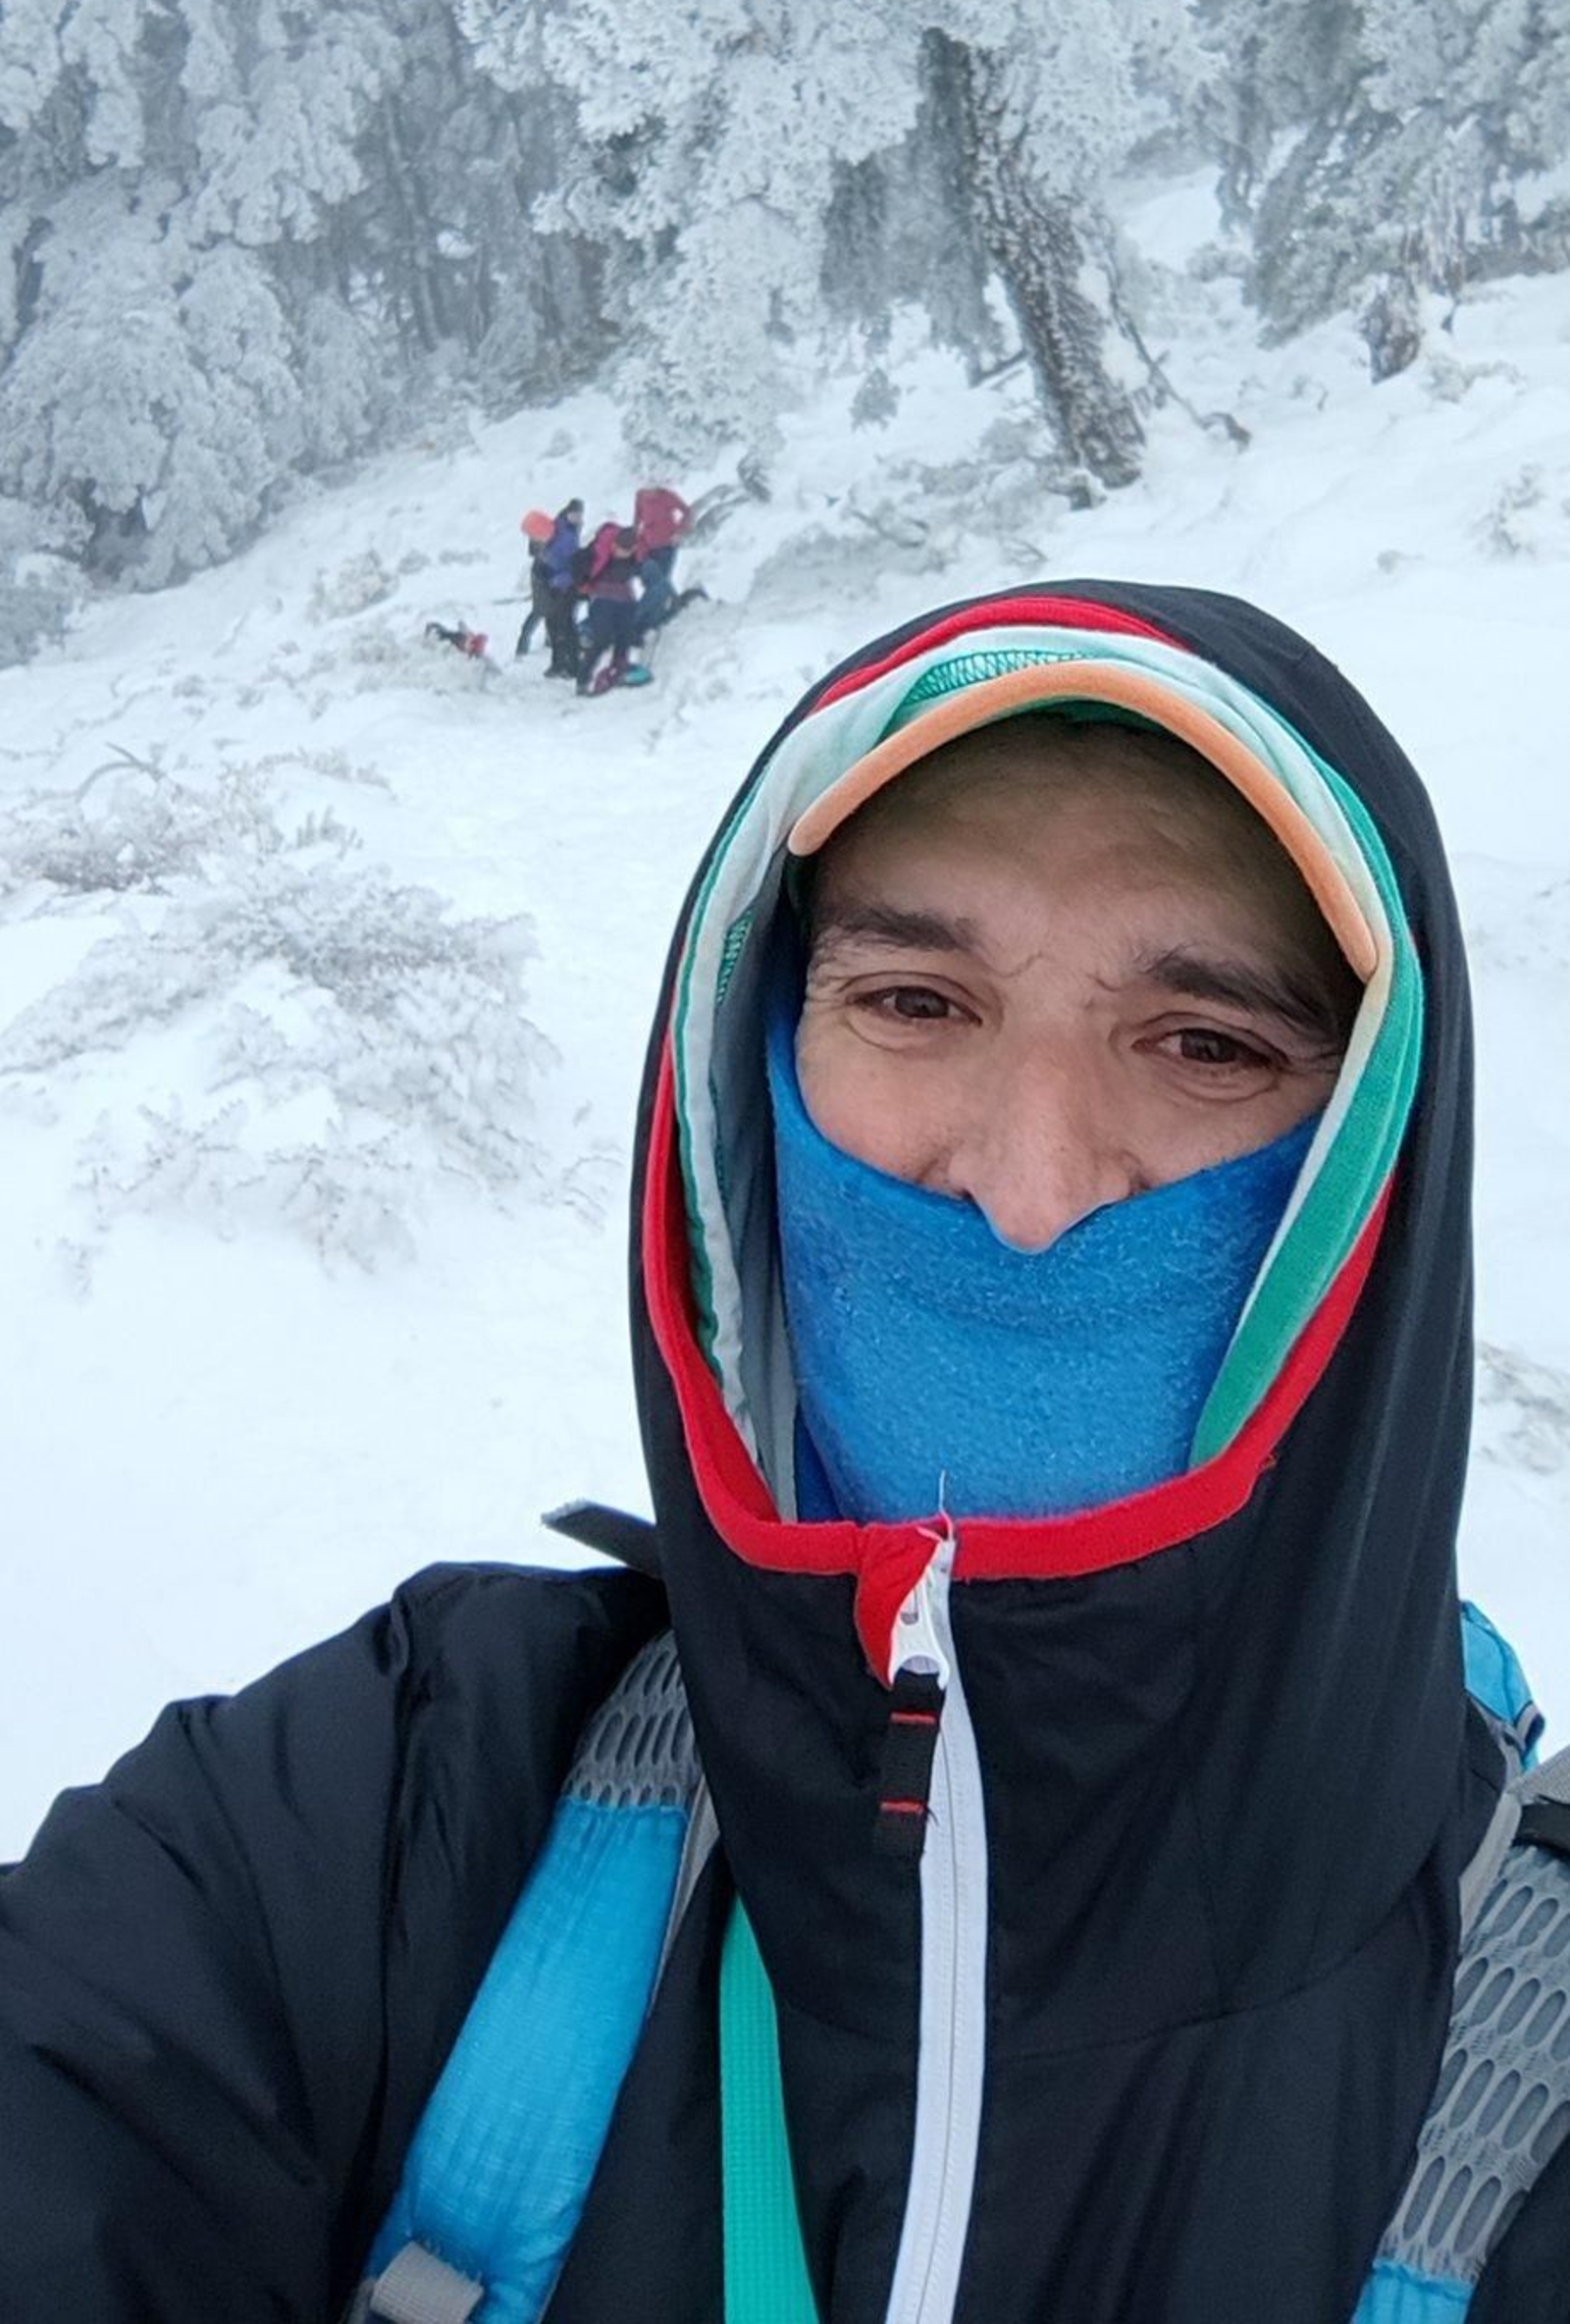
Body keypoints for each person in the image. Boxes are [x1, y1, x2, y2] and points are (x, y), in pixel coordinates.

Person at [3, 579, 1568, 2324]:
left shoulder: (1542, 2070)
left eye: (1205, 1042)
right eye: (915, 1000)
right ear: (746, 1077)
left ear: (1376, 1159)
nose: (1029, 1187)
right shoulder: (400, 1800)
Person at [574, 520, 650, 696]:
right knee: (601, 640)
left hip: (625, 598)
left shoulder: (636, 554)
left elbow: (640, 568)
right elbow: (588, 574)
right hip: (602, 598)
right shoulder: (602, 550)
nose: (617, 551)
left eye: (623, 550)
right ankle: (583, 680)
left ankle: (619, 668)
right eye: (616, 547)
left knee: (624, 635)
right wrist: (584, 586)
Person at [516, 498, 585, 679]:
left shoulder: (567, 541)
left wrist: (557, 580)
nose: (533, 540)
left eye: (534, 536)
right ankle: (558, 664)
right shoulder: (554, 531)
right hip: (551, 588)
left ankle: (573, 666)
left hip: (566, 590)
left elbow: (573, 569)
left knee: (566, 628)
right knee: (553, 627)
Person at [632, 480, 696, 632]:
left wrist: (679, 532)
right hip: (647, 547)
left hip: (667, 546)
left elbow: (688, 512)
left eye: (652, 489)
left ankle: (655, 617)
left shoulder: (667, 496)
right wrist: (634, 540)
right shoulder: (640, 496)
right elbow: (637, 519)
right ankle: (651, 617)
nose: (649, 492)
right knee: (654, 583)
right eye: (647, 489)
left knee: (661, 581)